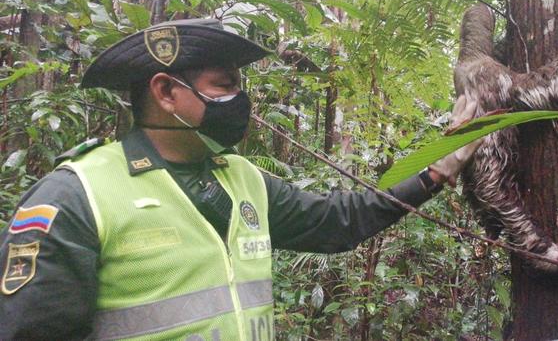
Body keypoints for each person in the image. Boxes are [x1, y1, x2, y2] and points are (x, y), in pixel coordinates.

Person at [0, 19, 481, 340]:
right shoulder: (77, 195)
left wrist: (438, 168)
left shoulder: (244, 179)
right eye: (225, 85)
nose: (240, 100)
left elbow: (340, 220)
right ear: (166, 92)